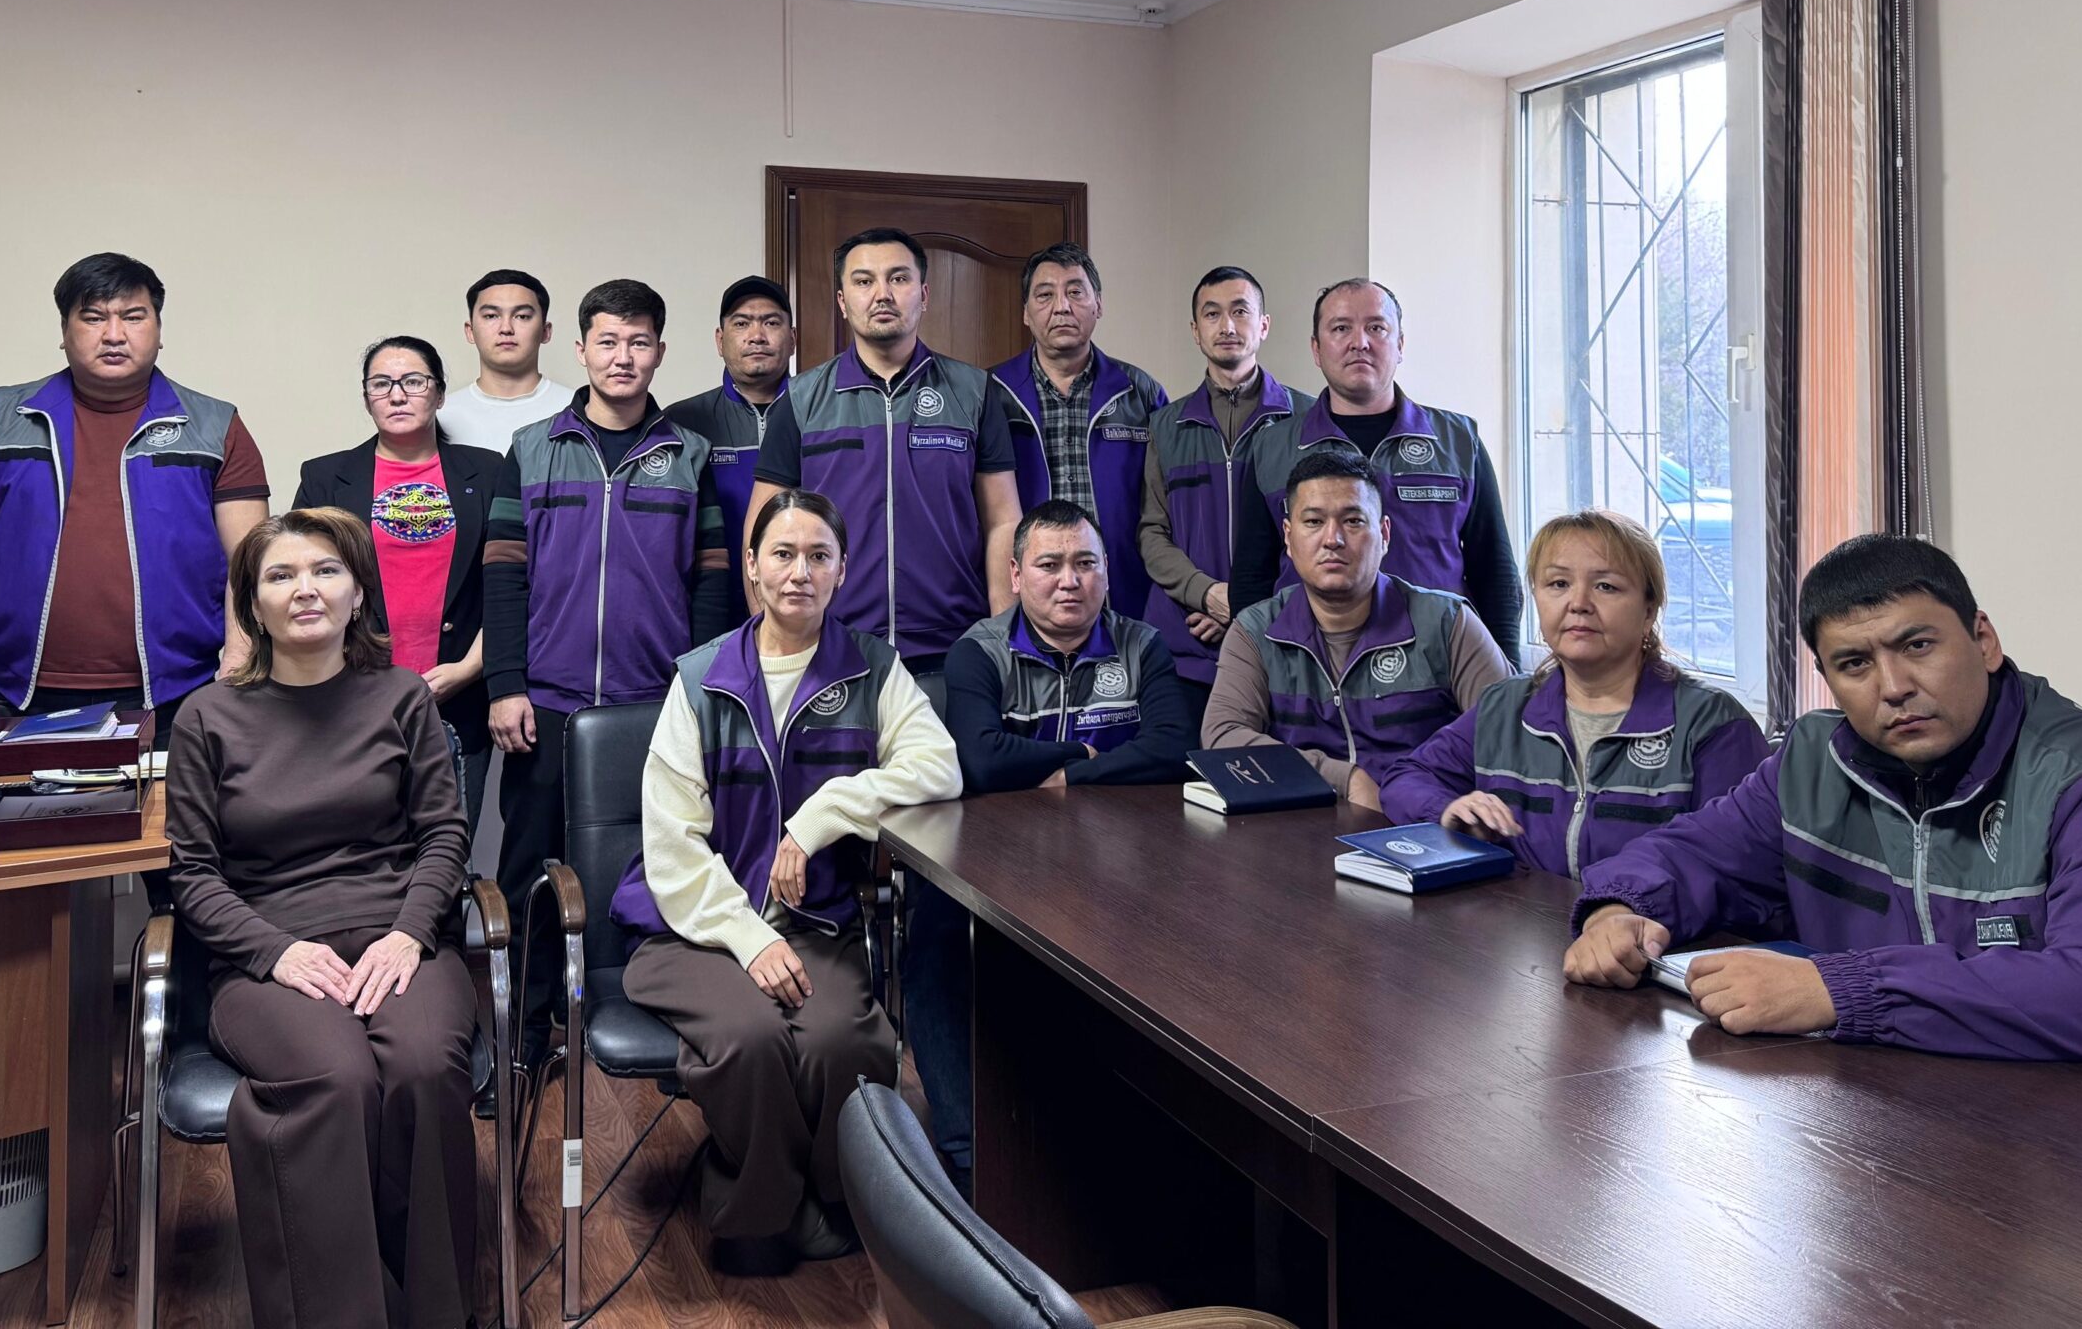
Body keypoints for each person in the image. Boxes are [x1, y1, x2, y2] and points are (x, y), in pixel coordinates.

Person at [1563, 535, 2082, 1115]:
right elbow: (1694, 851)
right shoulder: (1811, 761)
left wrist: (1839, 991)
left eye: (1918, 646)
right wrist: (1620, 908)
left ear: (1984, 640)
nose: (1894, 686)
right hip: (1953, 1109)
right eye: (1855, 663)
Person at [608, 489, 961, 1273]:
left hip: (816, 922)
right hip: (690, 928)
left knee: (847, 1042)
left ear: (843, 570)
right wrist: (748, 936)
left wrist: (820, 816)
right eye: (783, 554)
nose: (800, 572)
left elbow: (938, 767)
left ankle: (830, 1197)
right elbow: (671, 843)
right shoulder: (701, 678)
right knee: (751, 1039)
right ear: (752, 568)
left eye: (818, 556)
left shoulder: (872, 668)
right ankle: (759, 1213)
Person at [164, 507, 478, 1329]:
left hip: (398, 934)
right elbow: (193, 874)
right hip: (268, 952)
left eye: (325, 570)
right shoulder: (205, 718)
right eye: (281, 575)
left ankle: (440, 1313)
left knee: (423, 1067)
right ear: (253, 604)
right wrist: (275, 952)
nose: (305, 589)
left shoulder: (402, 698)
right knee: (336, 1079)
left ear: (357, 592)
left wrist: (410, 932)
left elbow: (444, 835)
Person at [909, 500, 1191, 1192]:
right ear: (1016, 574)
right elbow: (980, 761)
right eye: (1050, 565)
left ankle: (1149, 1149)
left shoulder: (1143, 645)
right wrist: (1089, 752)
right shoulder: (978, 651)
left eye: (1085, 563)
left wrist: (1073, 774)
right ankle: (967, 1152)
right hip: (992, 862)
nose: (1070, 580)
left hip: (1124, 862)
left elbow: (1172, 750)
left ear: (1106, 571)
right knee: (935, 935)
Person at [484, 279, 729, 1022]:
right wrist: (505, 683)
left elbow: (712, 585)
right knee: (529, 870)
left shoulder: (689, 455)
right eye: (609, 341)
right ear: (581, 348)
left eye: (639, 342)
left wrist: (695, 694)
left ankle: (627, 1019)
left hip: (651, 708)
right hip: (546, 704)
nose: (623, 357)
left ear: (660, 351)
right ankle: (526, 1036)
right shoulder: (532, 450)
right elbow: (503, 576)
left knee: (647, 871)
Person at [0, 252, 269, 750]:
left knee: (176, 808)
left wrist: (238, 663)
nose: (113, 334)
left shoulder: (216, 426)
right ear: (64, 332)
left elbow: (250, 561)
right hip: (16, 694)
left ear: (159, 329)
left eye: (133, 316)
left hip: (182, 695)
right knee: (14, 807)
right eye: (93, 317)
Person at [1374, 509, 1767, 877]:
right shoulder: (1505, 707)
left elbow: (1737, 867)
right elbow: (1406, 778)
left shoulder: (1712, 725)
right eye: (1558, 584)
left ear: (1649, 610)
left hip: (1650, 926)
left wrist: (1620, 902)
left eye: (1606, 586)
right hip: (1520, 923)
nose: (1578, 604)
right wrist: (1448, 810)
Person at [748, 226, 1021, 705]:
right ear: (842, 300)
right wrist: (774, 639)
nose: (882, 294)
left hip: (953, 646)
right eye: (864, 281)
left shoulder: (975, 392)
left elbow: (1003, 521)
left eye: (898, 278)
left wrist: (1003, 638)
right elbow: (763, 528)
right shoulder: (803, 399)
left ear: (924, 294)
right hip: (831, 646)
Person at [292, 335, 527, 854]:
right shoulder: (326, 478)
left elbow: (512, 582)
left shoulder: (489, 471)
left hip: (459, 694)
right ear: (366, 398)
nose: (397, 394)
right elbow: (304, 586)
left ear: (439, 394)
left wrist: (471, 667)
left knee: (447, 850)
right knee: (356, 852)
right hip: (352, 696)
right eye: (382, 384)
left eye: (414, 382)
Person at [1231, 279, 1522, 665]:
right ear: (1316, 349)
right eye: (1341, 328)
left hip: (1440, 665)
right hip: (1309, 672)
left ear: (1400, 344)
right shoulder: (1272, 449)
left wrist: (1507, 677)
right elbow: (1251, 578)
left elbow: (1496, 573)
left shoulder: (1457, 443)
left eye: (1376, 328)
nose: (1360, 342)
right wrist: (1256, 669)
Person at [1203, 448, 1512, 807]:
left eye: (1353, 521)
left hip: (1426, 822)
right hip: (1302, 826)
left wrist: (1422, 799)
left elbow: (1507, 735)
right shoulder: (1256, 631)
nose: (1332, 539)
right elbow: (1223, 737)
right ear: (1288, 536)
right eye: (1313, 522)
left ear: (1384, 534)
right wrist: (1345, 778)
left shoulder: (1447, 622)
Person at [1138, 265, 1310, 720]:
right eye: (1212, 314)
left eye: (1240, 311)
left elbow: (1315, 534)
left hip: (1281, 644)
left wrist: (1244, 607)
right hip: (1186, 646)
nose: (1227, 326)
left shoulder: (1306, 420)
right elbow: (1153, 533)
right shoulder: (1166, 425)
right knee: (1179, 766)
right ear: (1196, 331)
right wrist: (1209, 594)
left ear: (1264, 325)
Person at [988, 243, 1166, 621]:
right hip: (1028, 598)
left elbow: (1168, 505)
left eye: (1075, 292)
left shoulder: (1139, 392)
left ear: (1098, 304)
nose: (1062, 307)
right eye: (1045, 295)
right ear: (1025, 312)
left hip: (1126, 597)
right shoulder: (991, 393)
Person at [668, 274, 797, 629]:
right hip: (708, 616)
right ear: (719, 340)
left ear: (793, 339)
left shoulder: (820, 415)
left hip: (803, 612)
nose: (757, 336)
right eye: (742, 323)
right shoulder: (681, 424)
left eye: (771, 322)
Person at [436, 269, 576, 453]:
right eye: (491, 316)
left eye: (522, 316)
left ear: (545, 331)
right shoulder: (440, 415)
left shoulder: (578, 410)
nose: (506, 328)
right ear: (470, 331)